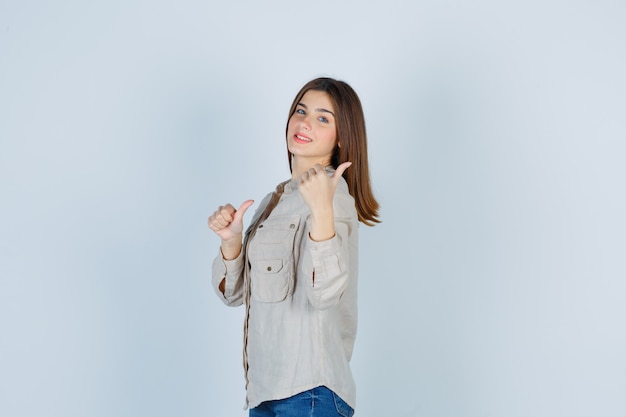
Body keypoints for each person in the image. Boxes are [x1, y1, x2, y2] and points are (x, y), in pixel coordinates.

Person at [208, 77, 380, 417]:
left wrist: (321, 211)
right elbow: (234, 295)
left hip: (310, 392)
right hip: (265, 392)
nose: (304, 123)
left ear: (342, 136)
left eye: (322, 118)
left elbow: (325, 294)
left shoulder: (334, 198)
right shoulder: (275, 201)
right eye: (300, 111)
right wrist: (232, 241)